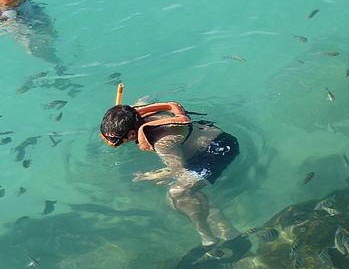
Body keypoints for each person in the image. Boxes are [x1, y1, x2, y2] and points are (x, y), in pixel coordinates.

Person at [99, 86, 247, 249]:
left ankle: (210, 237)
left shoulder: (162, 143)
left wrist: (153, 176)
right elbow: (146, 97)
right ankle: (227, 232)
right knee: (183, 194)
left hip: (218, 150)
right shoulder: (134, 111)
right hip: (206, 136)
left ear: (132, 134)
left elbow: (177, 169)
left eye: (116, 142)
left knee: (177, 194)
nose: (113, 144)